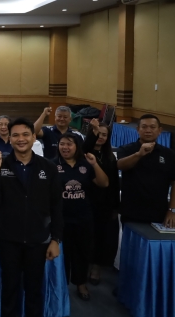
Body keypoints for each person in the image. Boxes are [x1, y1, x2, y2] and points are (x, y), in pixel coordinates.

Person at [0, 117, 63, 317]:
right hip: (9, 239)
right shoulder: (1, 164)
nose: (21, 139)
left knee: (34, 290)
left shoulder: (48, 167)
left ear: (34, 137)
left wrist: (55, 239)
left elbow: (57, 206)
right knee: (9, 289)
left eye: (26, 134)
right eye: (16, 135)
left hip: (38, 240)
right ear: (9, 139)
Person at [54, 132, 108, 300]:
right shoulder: (51, 164)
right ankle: (60, 285)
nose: (65, 147)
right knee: (61, 254)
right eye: (62, 144)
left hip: (83, 218)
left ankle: (80, 283)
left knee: (82, 253)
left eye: (69, 144)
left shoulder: (86, 164)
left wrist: (95, 164)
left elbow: (104, 183)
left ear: (77, 146)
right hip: (60, 219)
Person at [116, 114, 175, 227]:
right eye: (144, 127)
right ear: (138, 129)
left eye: (152, 127)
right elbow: (120, 165)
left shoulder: (169, 154)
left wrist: (172, 210)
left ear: (159, 130)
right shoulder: (126, 149)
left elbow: (174, 182)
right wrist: (139, 154)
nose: (148, 130)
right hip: (131, 213)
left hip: (159, 214)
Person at [83, 119, 120, 285]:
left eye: (104, 135)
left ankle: (96, 267)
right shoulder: (84, 153)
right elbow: (85, 147)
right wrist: (94, 131)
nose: (101, 137)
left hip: (104, 202)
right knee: (85, 235)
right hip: (85, 200)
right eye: (98, 134)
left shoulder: (110, 157)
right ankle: (83, 265)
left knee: (101, 236)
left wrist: (115, 206)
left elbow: (114, 184)